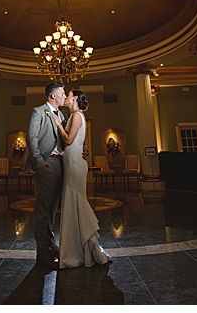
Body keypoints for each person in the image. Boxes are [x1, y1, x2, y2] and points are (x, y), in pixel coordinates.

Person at [48, 90, 112, 268]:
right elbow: (77, 142)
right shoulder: (75, 116)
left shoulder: (76, 116)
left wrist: (58, 124)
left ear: (74, 99)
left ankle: (84, 247)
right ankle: (77, 247)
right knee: (72, 202)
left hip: (75, 164)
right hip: (72, 162)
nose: (66, 98)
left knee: (77, 201)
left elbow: (68, 140)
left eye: (68, 95)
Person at [25, 82, 67, 269]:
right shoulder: (38, 112)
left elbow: (64, 140)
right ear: (53, 96)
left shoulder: (63, 115)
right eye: (62, 94)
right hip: (46, 163)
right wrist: (39, 163)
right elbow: (32, 138)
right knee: (42, 208)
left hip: (60, 164)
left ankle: (50, 244)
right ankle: (42, 252)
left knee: (52, 208)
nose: (65, 96)